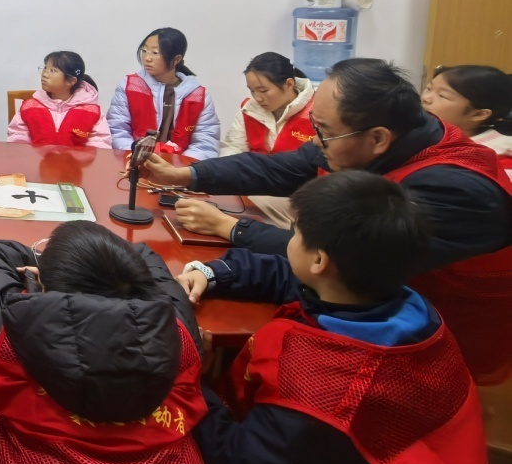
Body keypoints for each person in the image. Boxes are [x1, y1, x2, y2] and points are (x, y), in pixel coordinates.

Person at [148, 58, 512, 383]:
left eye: (323, 129)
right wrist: (187, 176)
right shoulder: (382, 135)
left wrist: (231, 227)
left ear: (378, 138)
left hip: (433, 340)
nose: (315, 139)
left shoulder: (455, 190)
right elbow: (282, 168)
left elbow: (342, 260)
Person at [179, 172, 488, 464]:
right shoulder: (402, 306)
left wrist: (191, 376)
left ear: (319, 261)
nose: (290, 239)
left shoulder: (323, 396)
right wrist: (213, 273)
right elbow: (293, 277)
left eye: (296, 231)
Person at [0, 221, 219, 464]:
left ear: (48, 288)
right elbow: (148, 259)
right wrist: (91, 262)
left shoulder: (14, 329)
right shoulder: (176, 331)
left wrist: (44, 272)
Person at [218, 52, 316, 227]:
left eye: (263, 90)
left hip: (297, 197)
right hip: (252, 187)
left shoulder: (316, 113)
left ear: (289, 84)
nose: (257, 97)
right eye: (252, 91)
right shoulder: (249, 109)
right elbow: (233, 148)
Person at [105, 28, 220, 159]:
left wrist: (180, 167)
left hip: (180, 166)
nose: (147, 58)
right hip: (134, 161)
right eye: (144, 50)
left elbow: (205, 143)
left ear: (176, 59)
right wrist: (138, 158)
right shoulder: (130, 86)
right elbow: (117, 131)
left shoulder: (198, 95)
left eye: (155, 53)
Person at [7, 51, 110, 148]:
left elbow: (99, 147)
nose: (44, 74)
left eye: (53, 70)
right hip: (36, 161)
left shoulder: (92, 112)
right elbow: (18, 143)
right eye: (45, 68)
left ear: (71, 81)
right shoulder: (29, 107)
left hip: (76, 162)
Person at [423, 64, 512, 173]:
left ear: (479, 114)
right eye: (429, 88)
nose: (425, 98)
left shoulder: (499, 155)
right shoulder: (422, 133)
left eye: (442, 95)